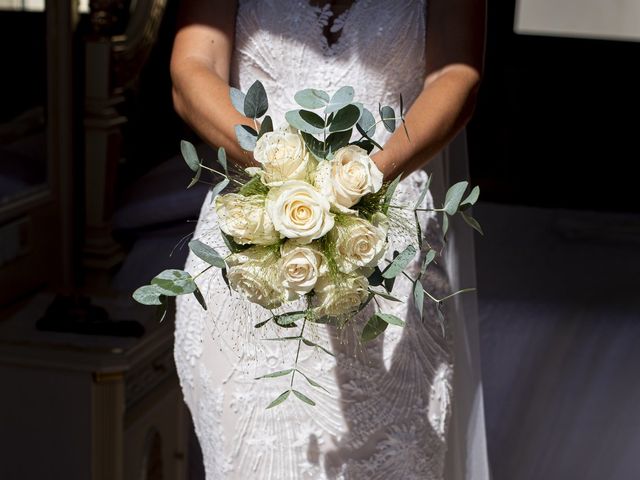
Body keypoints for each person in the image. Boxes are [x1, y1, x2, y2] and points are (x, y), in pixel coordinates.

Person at [171, 0, 490, 478]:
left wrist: (360, 182)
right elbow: (193, 68)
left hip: (389, 246)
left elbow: (455, 77)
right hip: (252, 243)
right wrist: (282, 170)